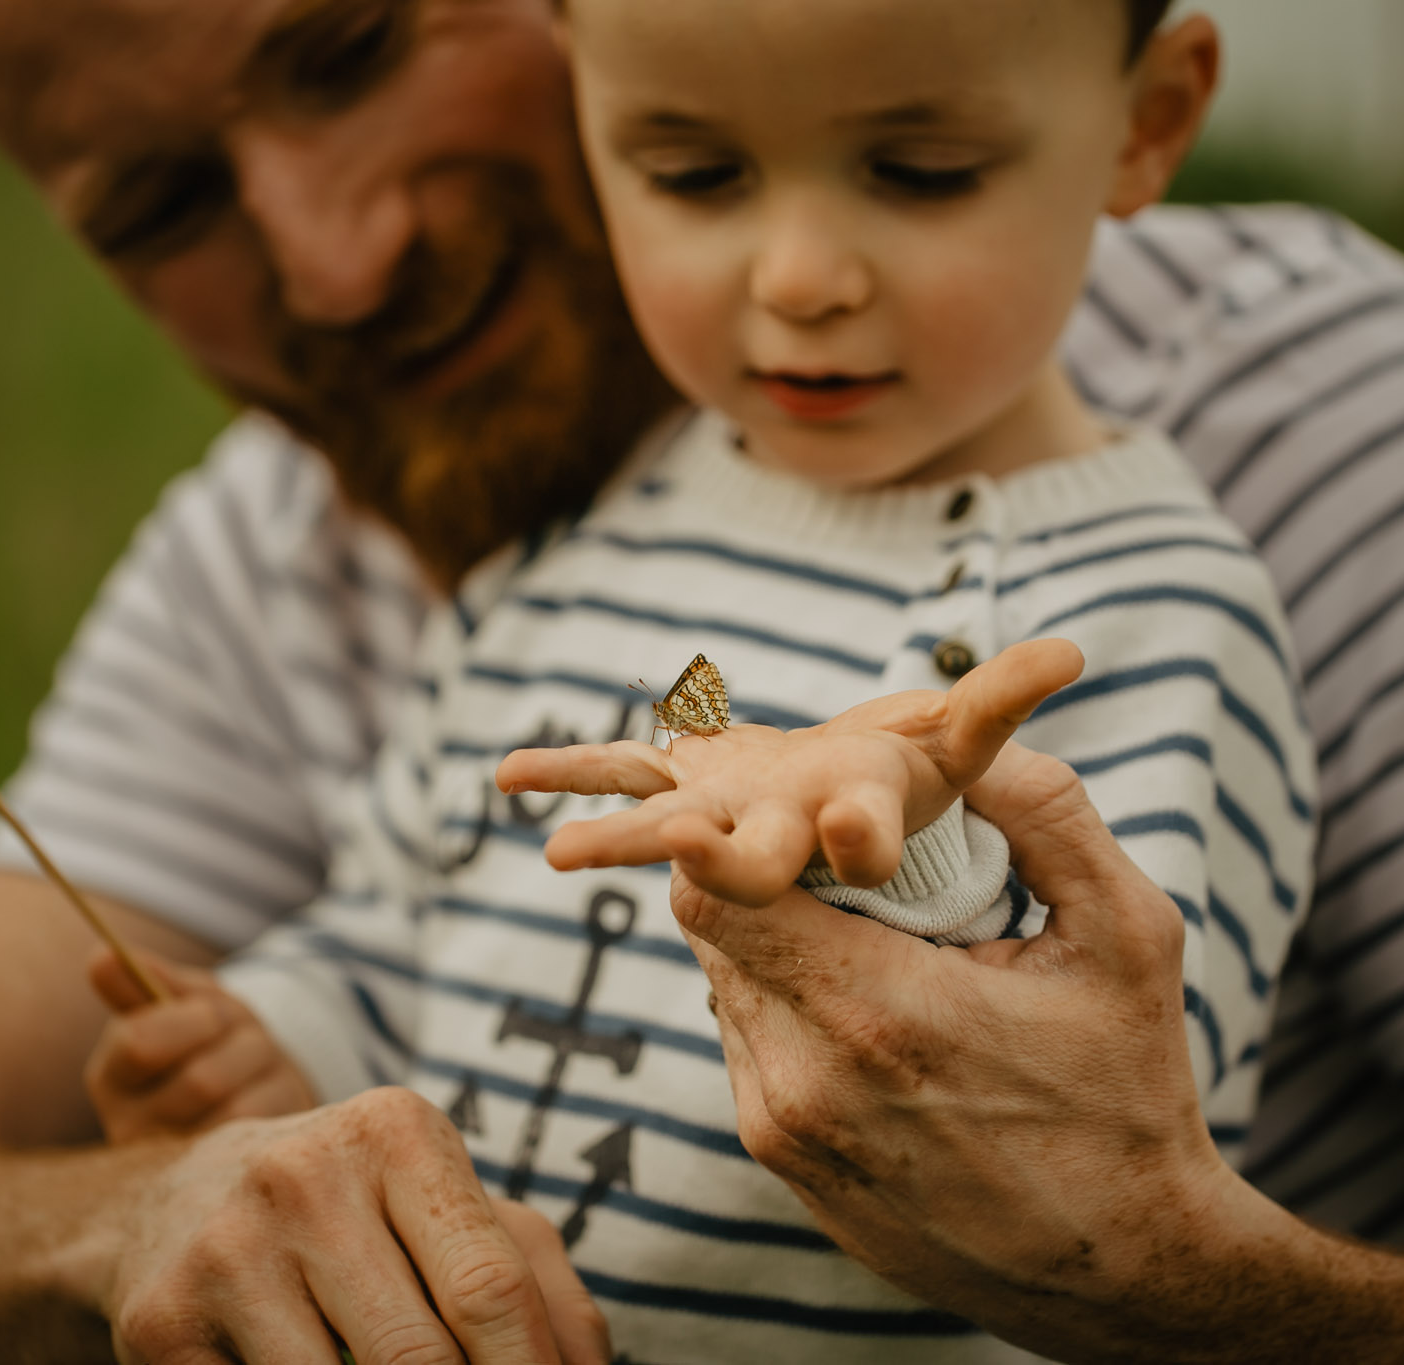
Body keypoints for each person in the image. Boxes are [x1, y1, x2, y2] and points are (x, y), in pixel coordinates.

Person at [0, 0, 1404, 1359]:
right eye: (157, 203)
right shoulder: (392, 551)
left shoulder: (1221, 482)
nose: (331, 259)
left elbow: (1101, 1011)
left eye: (343, 44)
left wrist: (1206, 1272)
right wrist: (227, 1110)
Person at [72, 8, 1317, 1354]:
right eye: (695, 177)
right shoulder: (586, 530)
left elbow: (1123, 1101)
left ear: (1147, 122)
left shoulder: (1148, 604)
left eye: (921, 171)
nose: (798, 276)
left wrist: (896, 841)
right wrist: (292, 1033)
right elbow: (411, 910)